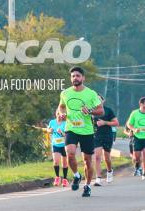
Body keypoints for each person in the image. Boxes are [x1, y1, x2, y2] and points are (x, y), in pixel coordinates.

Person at [57, 67, 103, 197]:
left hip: (87, 131)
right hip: (71, 128)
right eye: (73, 76)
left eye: (77, 76)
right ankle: (77, 175)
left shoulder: (91, 94)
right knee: (70, 153)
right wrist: (62, 114)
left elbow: (101, 110)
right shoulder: (65, 93)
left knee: (87, 161)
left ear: (83, 78)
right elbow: (61, 106)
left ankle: (87, 185)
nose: (75, 78)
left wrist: (89, 111)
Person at [125, 97, 145, 180]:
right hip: (137, 137)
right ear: (141, 104)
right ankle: (137, 167)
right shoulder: (134, 113)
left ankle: (144, 173)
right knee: (136, 157)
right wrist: (134, 129)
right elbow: (129, 124)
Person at [93, 94, 119, 185]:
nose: (98, 101)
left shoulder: (108, 110)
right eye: (96, 99)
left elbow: (116, 123)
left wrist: (104, 122)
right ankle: (98, 178)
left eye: (99, 99)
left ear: (103, 101)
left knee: (106, 157)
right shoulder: (91, 110)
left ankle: (109, 171)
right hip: (96, 135)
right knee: (97, 157)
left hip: (107, 135)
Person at [46, 110, 70, 187]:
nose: (60, 116)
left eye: (62, 115)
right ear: (56, 114)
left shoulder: (66, 123)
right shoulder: (52, 122)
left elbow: (68, 135)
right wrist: (50, 130)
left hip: (64, 145)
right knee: (56, 161)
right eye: (59, 114)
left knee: (65, 163)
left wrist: (62, 133)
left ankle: (65, 179)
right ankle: (57, 177)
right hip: (55, 144)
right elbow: (48, 130)